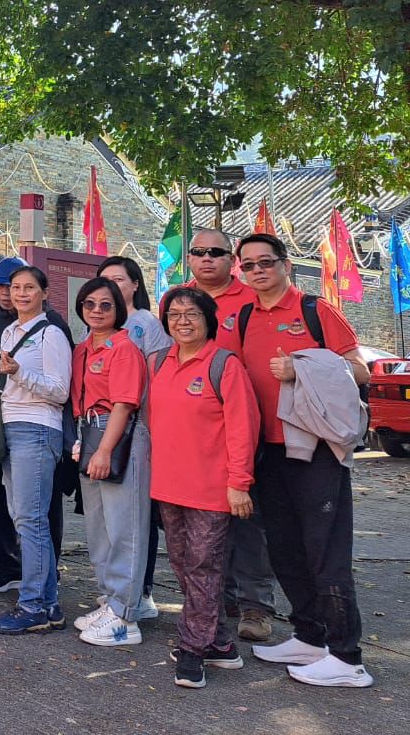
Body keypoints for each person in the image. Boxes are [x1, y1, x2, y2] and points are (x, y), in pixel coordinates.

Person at [233, 234, 373, 688]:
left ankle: (347, 656)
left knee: (325, 550)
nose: (258, 271)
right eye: (249, 265)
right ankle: (310, 636)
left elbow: (359, 370)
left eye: (266, 262)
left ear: (286, 265)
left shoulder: (315, 309)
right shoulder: (246, 316)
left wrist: (303, 366)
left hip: (315, 450)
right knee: (285, 547)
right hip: (267, 448)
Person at [149, 286, 258, 689]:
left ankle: (192, 650)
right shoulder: (159, 361)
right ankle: (222, 645)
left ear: (208, 319)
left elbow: (244, 429)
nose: (182, 321)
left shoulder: (224, 365)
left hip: (213, 490)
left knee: (203, 567)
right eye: (174, 314)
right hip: (169, 486)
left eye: (191, 313)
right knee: (183, 566)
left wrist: (239, 484)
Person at [186, 227, 276, 643]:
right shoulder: (179, 299)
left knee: (246, 520)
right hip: (195, 433)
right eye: (199, 252)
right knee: (202, 525)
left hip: (242, 426)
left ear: (231, 260)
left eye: (216, 252)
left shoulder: (251, 300)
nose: (207, 259)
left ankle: (256, 606)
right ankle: (214, 601)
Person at [0, 264, 71, 635]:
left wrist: (19, 372)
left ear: (43, 292)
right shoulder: (9, 330)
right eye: (15, 287)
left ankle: (33, 604)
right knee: (22, 516)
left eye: (28, 287)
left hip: (38, 429)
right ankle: (49, 603)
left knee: (31, 521)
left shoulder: (51, 333)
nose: (20, 293)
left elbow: (60, 390)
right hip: (11, 427)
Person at [67, 277, 150, 648]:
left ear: (118, 309)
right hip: (87, 434)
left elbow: (124, 403)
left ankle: (126, 615)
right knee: (98, 526)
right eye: (89, 304)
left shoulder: (123, 348)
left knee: (124, 526)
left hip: (116, 435)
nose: (97, 311)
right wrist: (81, 443)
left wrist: (104, 449)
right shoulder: (82, 348)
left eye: (106, 305)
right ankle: (110, 599)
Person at [95, 254, 168, 620]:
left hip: (135, 424)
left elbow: (157, 381)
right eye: (105, 279)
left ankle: (141, 592)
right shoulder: (96, 324)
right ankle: (116, 590)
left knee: (136, 517)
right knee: (109, 518)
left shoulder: (146, 325)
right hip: (97, 428)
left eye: (120, 279)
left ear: (135, 284)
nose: (112, 285)